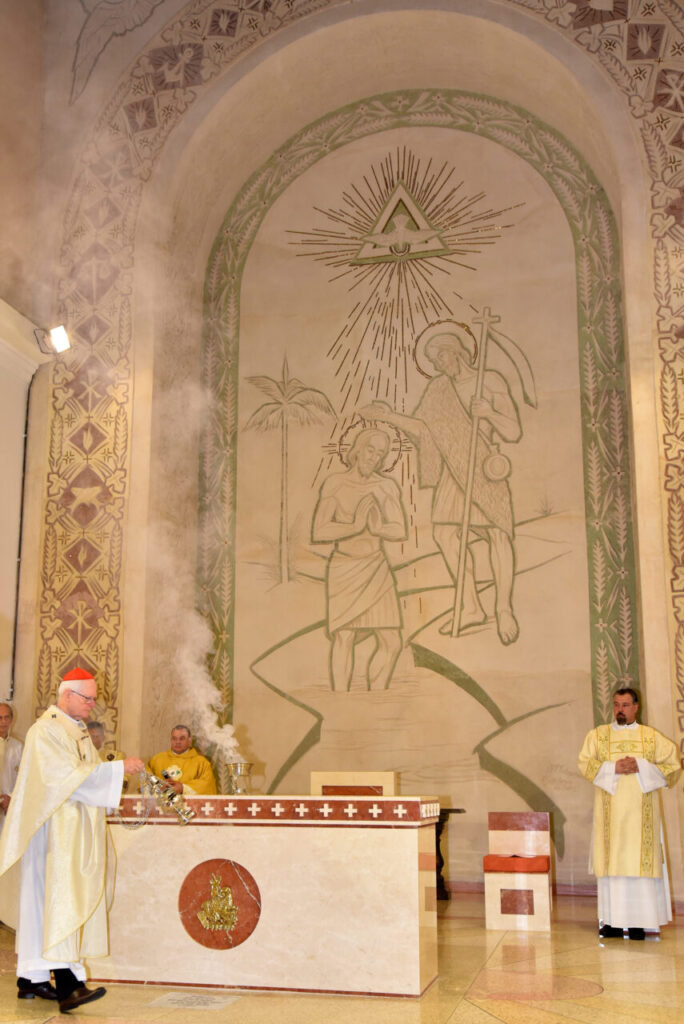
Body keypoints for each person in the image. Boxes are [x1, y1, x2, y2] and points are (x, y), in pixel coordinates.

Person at [361, 321, 522, 645]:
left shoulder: (489, 381)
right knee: (445, 533)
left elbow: (513, 431)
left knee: (496, 535)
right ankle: (471, 605)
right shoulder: (438, 388)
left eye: (440, 357)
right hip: (452, 471)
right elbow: (423, 429)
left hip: (483, 468)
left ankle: (503, 608)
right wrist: (387, 416)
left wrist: (489, 412)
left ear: (457, 352)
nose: (438, 364)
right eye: (433, 361)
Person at [0, 667, 144, 1011]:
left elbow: (85, 776)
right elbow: (67, 778)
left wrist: (109, 774)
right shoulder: (46, 729)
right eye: (88, 698)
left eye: (93, 698)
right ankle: (68, 985)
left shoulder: (74, 729)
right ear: (68, 695)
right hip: (52, 835)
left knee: (41, 906)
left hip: (67, 831)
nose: (93, 705)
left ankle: (31, 980)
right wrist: (118, 769)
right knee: (57, 902)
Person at [578, 687, 682, 940]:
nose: (620, 710)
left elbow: (673, 766)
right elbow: (584, 763)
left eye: (625, 705)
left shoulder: (650, 737)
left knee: (639, 865)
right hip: (610, 819)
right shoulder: (598, 736)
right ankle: (612, 923)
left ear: (636, 707)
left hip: (640, 818)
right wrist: (613, 768)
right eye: (616, 705)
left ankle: (638, 924)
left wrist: (641, 766)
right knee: (613, 865)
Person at [312, 428, 407, 690]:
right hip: (344, 567)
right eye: (370, 449)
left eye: (380, 453)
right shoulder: (336, 484)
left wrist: (377, 530)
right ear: (357, 449)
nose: (373, 457)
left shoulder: (385, 486)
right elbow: (319, 531)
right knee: (344, 637)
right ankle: (341, 700)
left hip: (376, 566)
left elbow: (399, 529)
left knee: (392, 641)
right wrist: (354, 526)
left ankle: (375, 695)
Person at [147, 725, 217, 795]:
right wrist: (159, 787)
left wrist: (183, 788)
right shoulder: (157, 760)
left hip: (190, 805)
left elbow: (207, 785)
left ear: (189, 740)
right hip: (162, 804)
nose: (178, 742)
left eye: (182, 738)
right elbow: (144, 780)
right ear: (171, 740)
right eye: (174, 738)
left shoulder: (201, 763)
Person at [0, 702, 22, 836]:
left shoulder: (18, 747)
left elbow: (24, 778)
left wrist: (11, 798)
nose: (3, 722)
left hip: (10, 807)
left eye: (6, 717)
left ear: (11, 720)